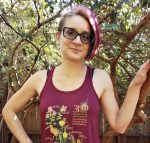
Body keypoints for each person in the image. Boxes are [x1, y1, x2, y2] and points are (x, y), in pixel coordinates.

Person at [2, 5, 150, 143]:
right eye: (70, 32)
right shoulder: (40, 78)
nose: (78, 41)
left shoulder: (99, 78)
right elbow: (8, 110)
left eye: (85, 36)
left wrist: (136, 84)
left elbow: (119, 126)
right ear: (58, 37)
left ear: (90, 44)